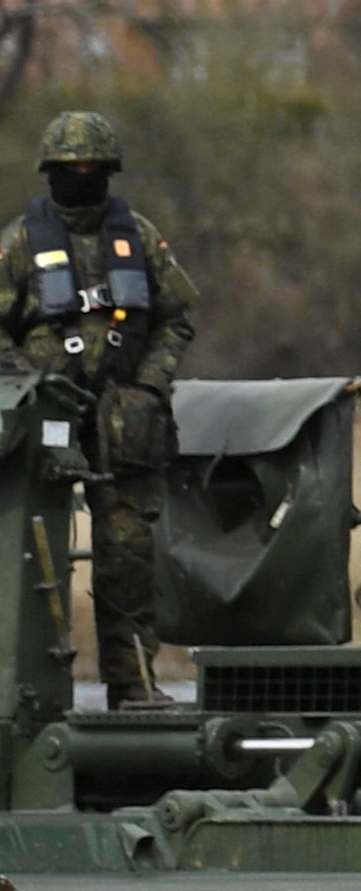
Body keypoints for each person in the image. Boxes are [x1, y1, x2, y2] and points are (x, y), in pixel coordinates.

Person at [15, 108, 200, 701]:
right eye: (70, 167)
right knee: (30, 552)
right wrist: (28, 386)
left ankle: (134, 683)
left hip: (128, 419)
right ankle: (29, 688)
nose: (82, 175)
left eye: (93, 166)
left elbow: (176, 318)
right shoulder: (20, 244)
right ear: (50, 172)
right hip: (45, 420)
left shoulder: (139, 237)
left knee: (127, 555)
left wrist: (150, 386)